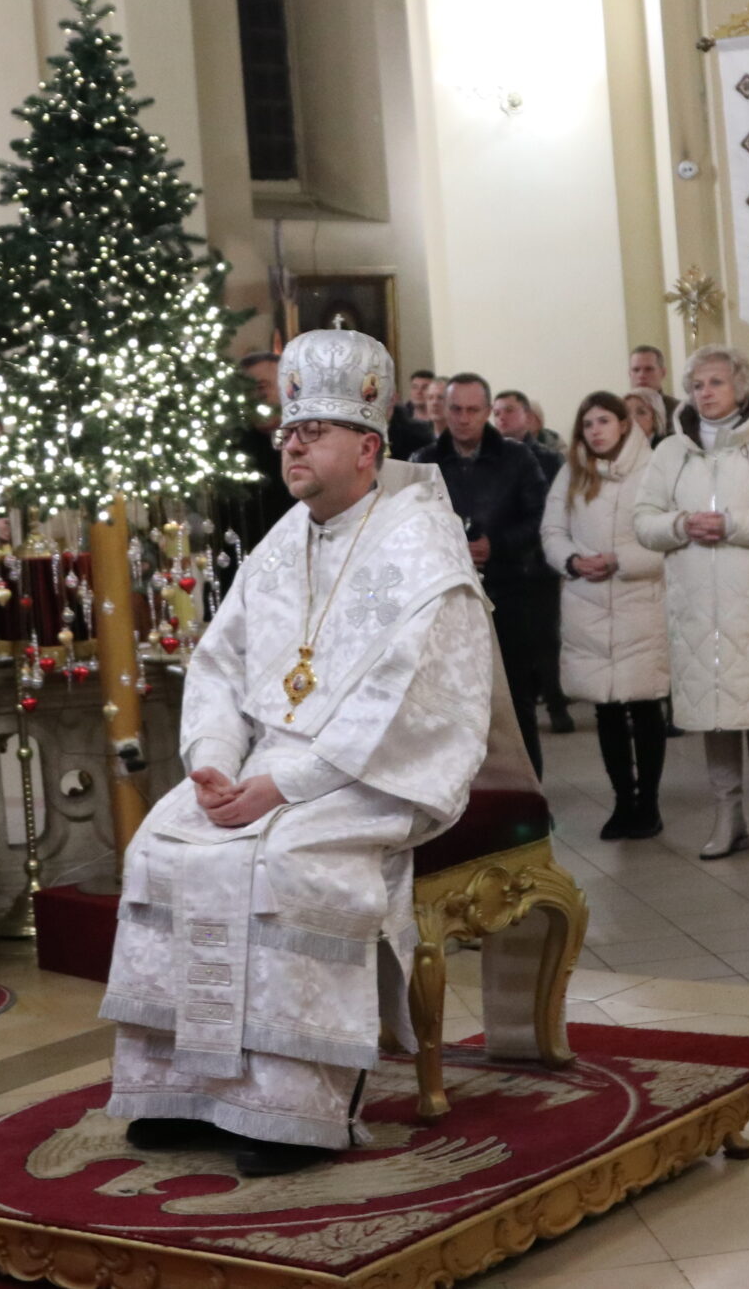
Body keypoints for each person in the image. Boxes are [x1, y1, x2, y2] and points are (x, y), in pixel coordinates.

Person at [100, 329, 493, 1175]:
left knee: (284, 859)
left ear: (367, 444)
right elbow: (220, 661)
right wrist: (212, 758)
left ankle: (290, 1107)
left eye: (313, 430)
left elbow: (415, 701)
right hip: (264, 764)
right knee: (164, 842)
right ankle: (186, 1088)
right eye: (288, 429)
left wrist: (282, 785)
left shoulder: (419, 545)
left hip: (369, 771)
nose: (293, 443)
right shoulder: (285, 539)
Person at [635, 346, 749, 860]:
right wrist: (679, 524)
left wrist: (733, 524)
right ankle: (726, 814)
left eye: (715, 383)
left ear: (739, 387)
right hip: (695, 609)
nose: (705, 393)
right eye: (697, 386)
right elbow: (644, 520)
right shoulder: (671, 451)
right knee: (713, 713)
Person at [541, 393, 670, 838]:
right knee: (608, 711)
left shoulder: (654, 469)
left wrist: (621, 559)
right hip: (588, 601)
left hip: (640, 600)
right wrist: (574, 561)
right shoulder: (572, 472)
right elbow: (553, 531)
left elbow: (667, 536)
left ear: (623, 424)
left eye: (603, 421)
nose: (595, 430)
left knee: (644, 704)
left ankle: (648, 804)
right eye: (587, 423)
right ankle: (622, 802)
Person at [417, 374, 556, 774]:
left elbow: (539, 517)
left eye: (473, 410)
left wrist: (497, 545)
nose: (463, 418)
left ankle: (528, 797)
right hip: (447, 595)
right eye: (455, 409)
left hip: (509, 590)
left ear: (487, 411)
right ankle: (467, 799)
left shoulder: (517, 458)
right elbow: (410, 523)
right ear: (443, 409)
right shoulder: (423, 461)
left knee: (515, 700)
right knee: (453, 702)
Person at [493, 387, 574, 735]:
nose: (502, 418)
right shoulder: (491, 458)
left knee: (545, 638)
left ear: (527, 416)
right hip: (503, 563)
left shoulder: (548, 458)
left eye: (509, 411)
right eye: (497, 412)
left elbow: (555, 509)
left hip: (539, 561)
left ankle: (556, 702)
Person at [220, 349, 294, 552]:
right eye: (246, 391)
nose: (255, 397)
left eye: (262, 387)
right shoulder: (232, 447)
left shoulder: (308, 440)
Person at [389, 368, 436, 460]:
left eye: (425, 387)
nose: (418, 392)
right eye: (415, 387)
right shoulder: (399, 420)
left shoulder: (441, 418)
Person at [628, 345, 681, 420]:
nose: (641, 375)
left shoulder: (678, 410)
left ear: (663, 373)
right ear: (629, 374)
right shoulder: (619, 410)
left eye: (649, 369)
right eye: (636, 370)